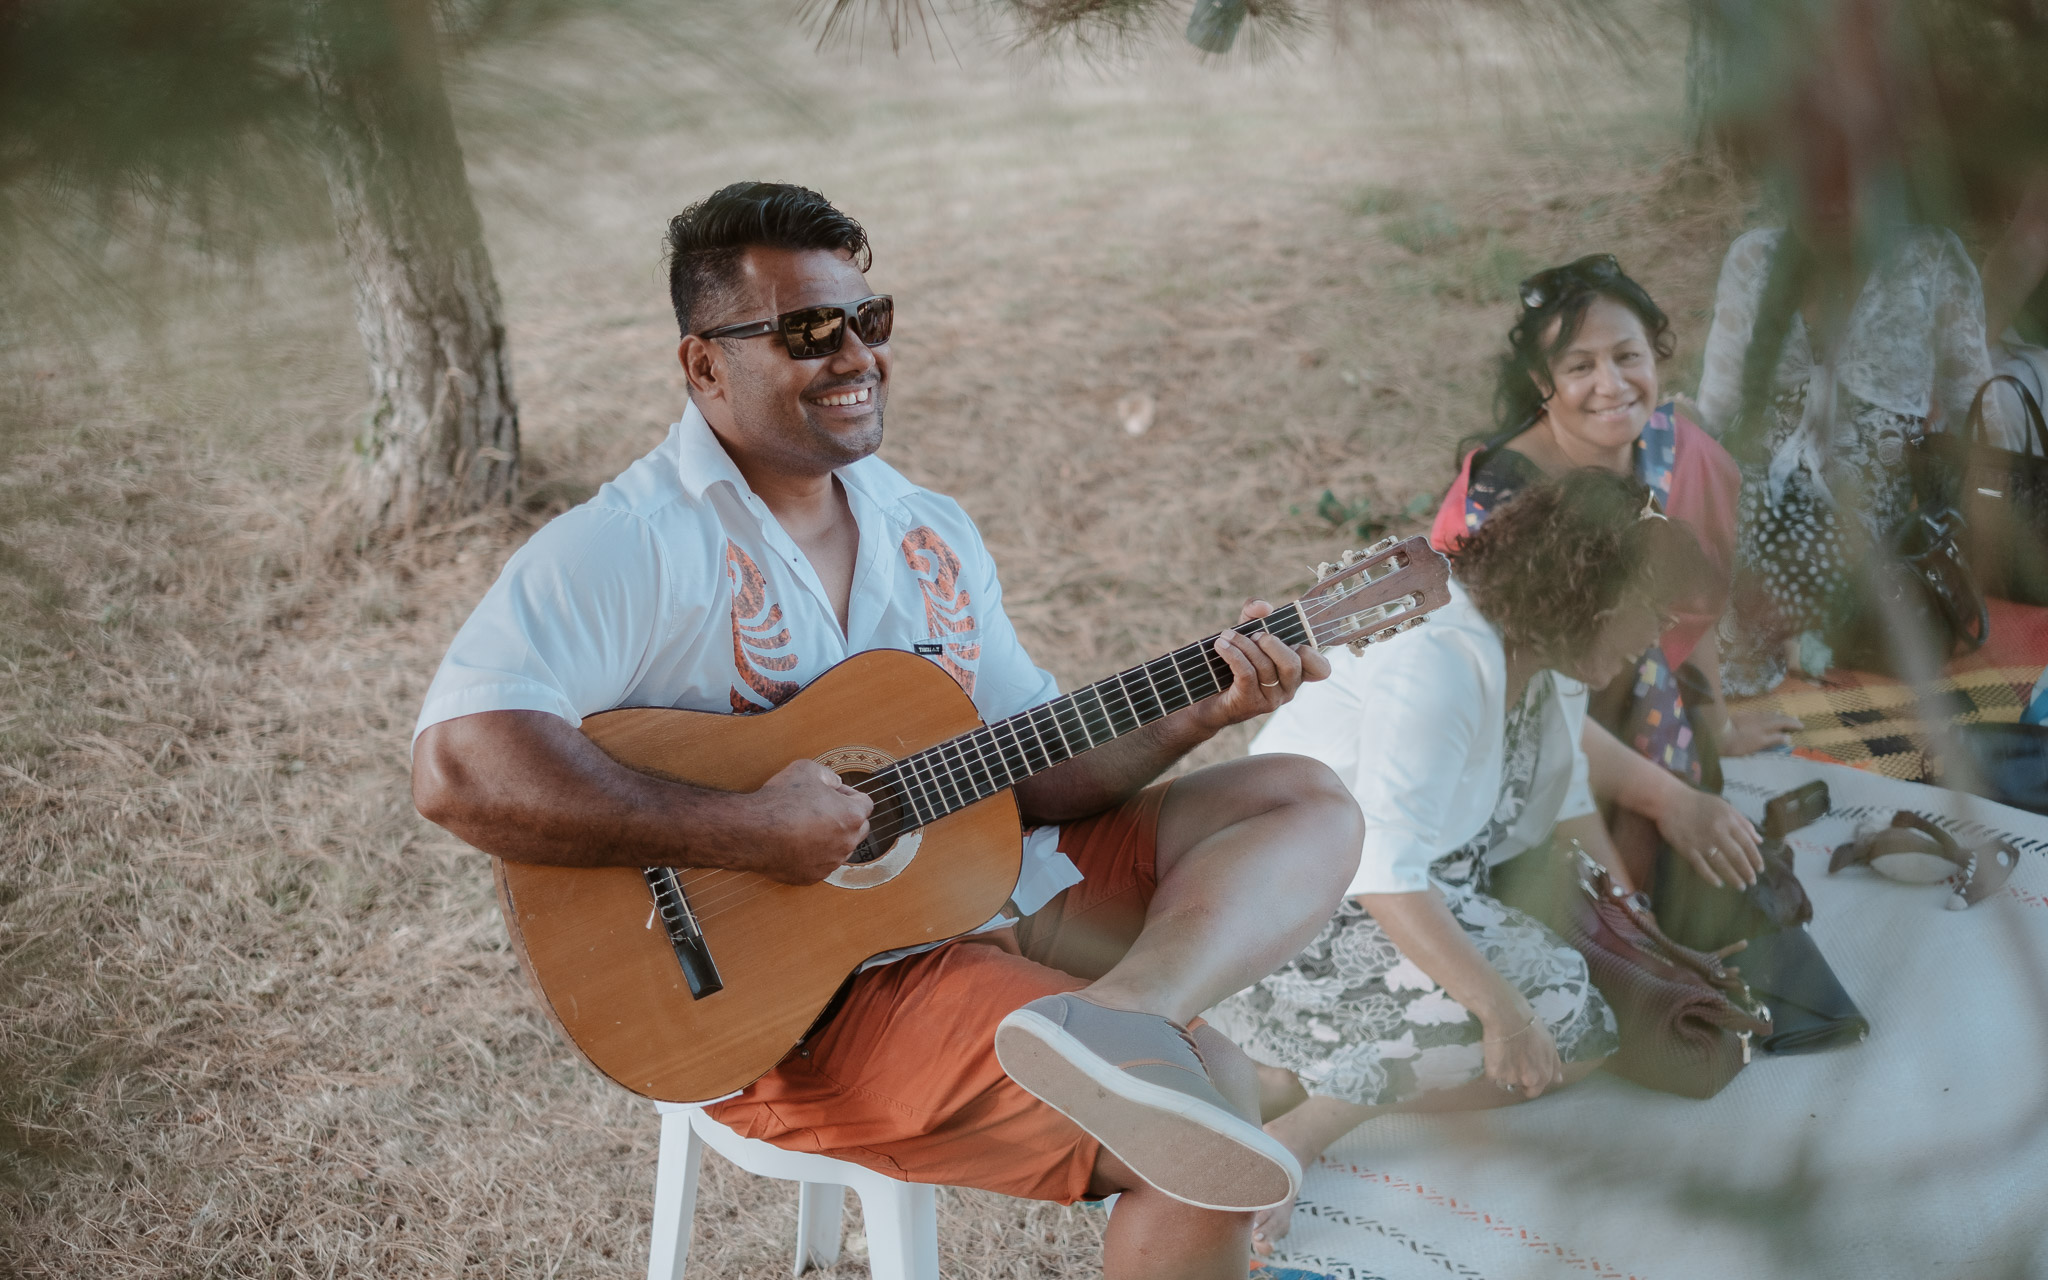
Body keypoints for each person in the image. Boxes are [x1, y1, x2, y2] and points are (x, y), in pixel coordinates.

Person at [407, 182, 1366, 1280]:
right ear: (703, 365)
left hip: (983, 890)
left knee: (1295, 794)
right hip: (792, 1003)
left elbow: (1039, 775)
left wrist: (1201, 705)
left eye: (871, 318)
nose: (855, 354)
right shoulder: (628, 546)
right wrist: (746, 828)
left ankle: (1119, 1013)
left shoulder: (925, 528)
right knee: (1209, 1124)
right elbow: (458, 771)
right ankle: (1131, 1044)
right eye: (808, 331)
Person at [1207, 469, 1766, 1257]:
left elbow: (1566, 792)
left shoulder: (1553, 661)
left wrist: (1633, 920)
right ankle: (1302, 1125)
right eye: (1653, 615)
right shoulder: (1439, 658)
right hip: (1293, 904)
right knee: (1548, 1014)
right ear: (1593, 603)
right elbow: (1385, 874)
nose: (1655, 638)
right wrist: (1502, 1012)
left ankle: (1285, 1072)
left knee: (1581, 1022)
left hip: (1402, 890)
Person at [1431, 253, 1800, 788]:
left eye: (1628, 356)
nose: (1612, 385)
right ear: (1543, 381)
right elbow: (1501, 682)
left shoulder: (1683, 454)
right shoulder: (1502, 500)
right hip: (1519, 735)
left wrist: (1716, 727)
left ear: (1655, 356)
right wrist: (1665, 799)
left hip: (1637, 694)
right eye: (1580, 367)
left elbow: (1693, 603)